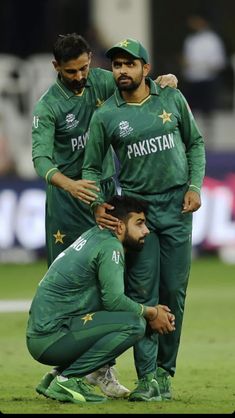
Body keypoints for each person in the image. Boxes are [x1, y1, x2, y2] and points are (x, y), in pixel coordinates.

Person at [31, 33, 178, 398]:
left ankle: (100, 371)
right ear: (56, 68)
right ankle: (70, 363)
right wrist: (70, 184)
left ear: (90, 60)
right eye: (70, 72)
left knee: (112, 279)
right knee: (77, 285)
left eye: (84, 68)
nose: (80, 77)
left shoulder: (100, 79)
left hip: (107, 195)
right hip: (69, 202)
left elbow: (136, 82)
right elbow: (41, 159)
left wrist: (163, 82)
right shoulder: (48, 106)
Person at [82, 38, 206, 401]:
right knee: (143, 295)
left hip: (177, 209)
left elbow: (195, 143)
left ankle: (165, 375)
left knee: (174, 294)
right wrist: (97, 204)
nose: (122, 71)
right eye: (116, 65)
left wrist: (195, 186)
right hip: (140, 215)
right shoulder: (106, 115)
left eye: (129, 64)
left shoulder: (171, 97)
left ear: (145, 69)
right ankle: (148, 376)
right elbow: (91, 165)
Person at [26, 195, 175, 404]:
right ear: (120, 226)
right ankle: (67, 380)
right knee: (134, 325)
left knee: (115, 317)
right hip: (51, 338)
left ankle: (54, 377)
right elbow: (114, 301)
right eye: (139, 223)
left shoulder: (94, 236)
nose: (146, 231)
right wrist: (152, 312)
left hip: (45, 334)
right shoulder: (110, 247)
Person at [181, 12, 227, 146]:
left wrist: (203, 65)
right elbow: (186, 60)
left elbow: (219, 62)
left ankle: (209, 141)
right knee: (190, 112)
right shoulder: (190, 40)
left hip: (207, 80)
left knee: (208, 112)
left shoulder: (213, 40)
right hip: (192, 80)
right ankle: (193, 140)